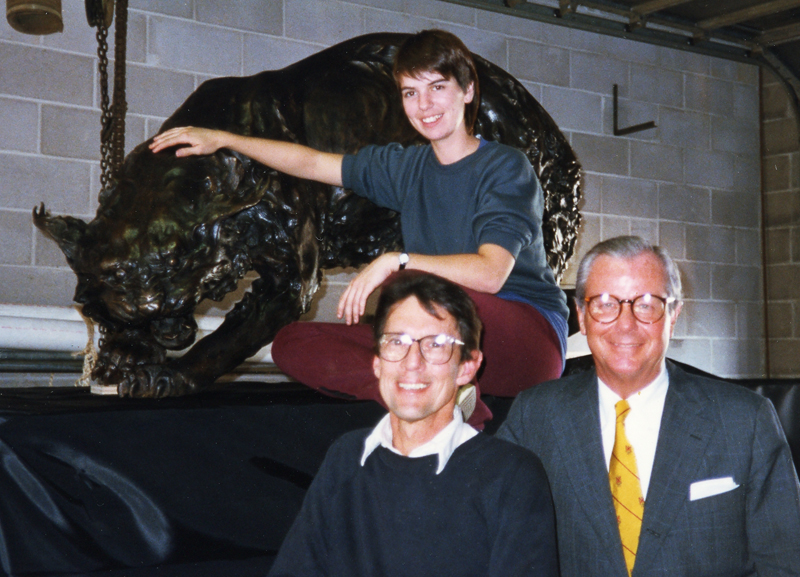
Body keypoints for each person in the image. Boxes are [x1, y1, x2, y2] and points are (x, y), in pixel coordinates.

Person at [149, 29, 568, 428]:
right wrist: (227, 140)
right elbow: (313, 163)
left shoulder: (505, 167)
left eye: (437, 87)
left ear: (467, 90)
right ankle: (444, 404)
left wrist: (396, 261)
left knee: (415, 292)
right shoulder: (407, 166)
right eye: (410, 92)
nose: (424, 105)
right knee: (292, 343)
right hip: (435, 339)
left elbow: (491, 273)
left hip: (523, 337)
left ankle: (434, 396)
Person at [497, 235, 800, 577]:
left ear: (673, 315)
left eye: (646, 304)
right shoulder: (535, 417)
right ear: (581, 316)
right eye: (606, 303)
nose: (626, 324)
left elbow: (786, 565)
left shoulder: (746, 420)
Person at [267, 271, 558, 577]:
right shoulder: (346, 458)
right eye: (398, 341)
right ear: (377, 362)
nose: (412, 362)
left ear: (467, 367)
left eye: (436, 344)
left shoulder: (512, 476)